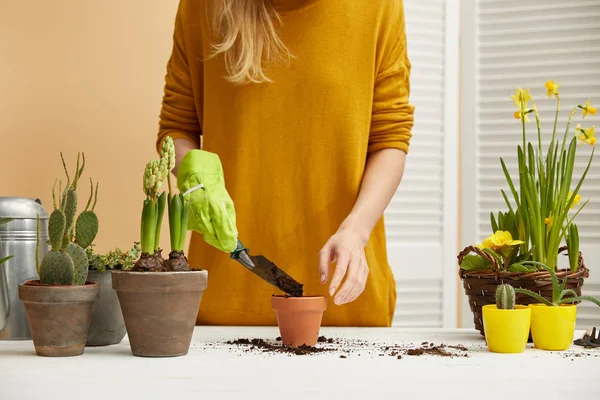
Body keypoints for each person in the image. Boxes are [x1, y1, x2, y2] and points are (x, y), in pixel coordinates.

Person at [156, 0, 415, 327]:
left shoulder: (379, 7)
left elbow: (390, 139)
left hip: (343, 305)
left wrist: (357, 230)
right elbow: (176, 127)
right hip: (226, 302)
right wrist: (195, 174)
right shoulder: (202, 7)